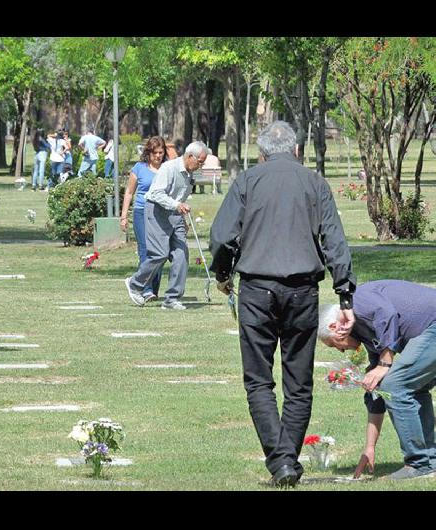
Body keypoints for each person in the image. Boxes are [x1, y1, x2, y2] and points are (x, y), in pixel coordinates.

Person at [208, 120, 356, 488]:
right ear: (297, 150)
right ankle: (286, 459)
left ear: (261, 153)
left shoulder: (248, 180)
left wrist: (222, 274)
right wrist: (345, 293)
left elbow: (223, 236)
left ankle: (281, 461)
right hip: (302, 290)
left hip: (257, 288)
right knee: (299, 383)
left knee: (258, 381)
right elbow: (335, 241)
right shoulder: (314, 182)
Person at [318, 280, 436, 480]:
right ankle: (429, 460)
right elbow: (378, 393)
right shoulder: (366, 334)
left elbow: (387, 314)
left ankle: (419, 463)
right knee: (408, 387)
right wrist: (369, 447)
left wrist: (385, 364)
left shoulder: (357, 301)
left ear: (334, 326)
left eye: (334, 344)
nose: (341, 350)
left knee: (396, 384)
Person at [124, 141, 208, 311]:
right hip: (156, 211)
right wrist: (176, 205)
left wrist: (181, 215)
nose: (201, 165)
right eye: (200, 161)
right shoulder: (169, 168)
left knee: (181, 255)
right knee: (160, 253)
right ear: (190, 156)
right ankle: (135, 284)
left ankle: (172, 299)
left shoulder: (190, 174)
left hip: (175, 215)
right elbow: (155, 194)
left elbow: (180, 198)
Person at [120, 136, 168, 303]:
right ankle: (144, 288)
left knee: (161, 251)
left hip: (161, 214)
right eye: (155, 153)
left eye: (161, 153)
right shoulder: (139, 168)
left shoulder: (167, 168)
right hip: (141, 212)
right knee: (145, 250)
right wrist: (124, 215)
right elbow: (129, 192)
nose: (158, 156)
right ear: (149, 153)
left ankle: (153, 288)